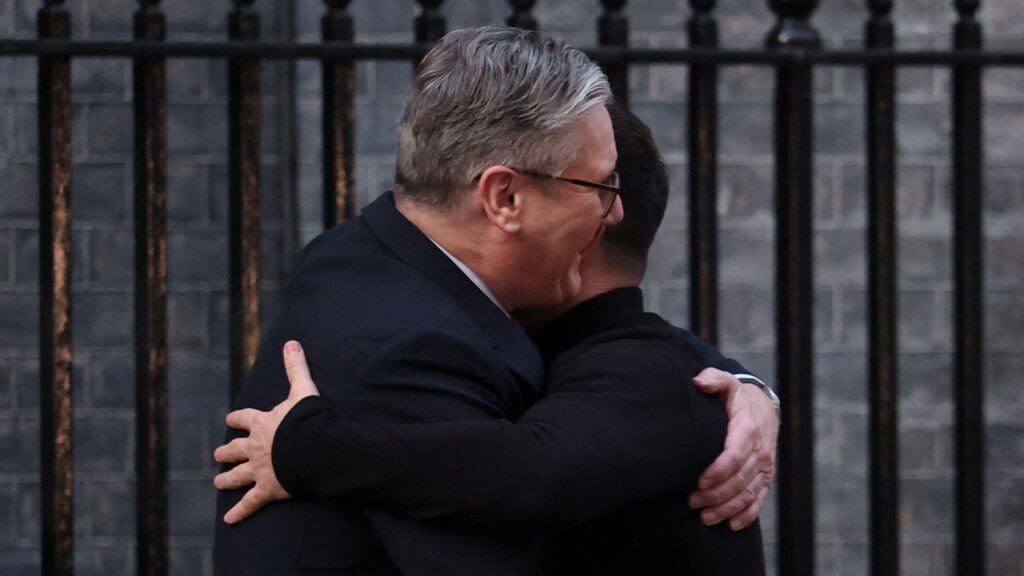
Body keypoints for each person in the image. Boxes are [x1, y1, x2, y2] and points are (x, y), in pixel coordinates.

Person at [213, 27, 776, 575]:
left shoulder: (361, 255)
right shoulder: (412, 343)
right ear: (504, 196)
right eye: (603, 187)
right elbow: (524, 476)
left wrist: (748, 388)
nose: (617, 212)